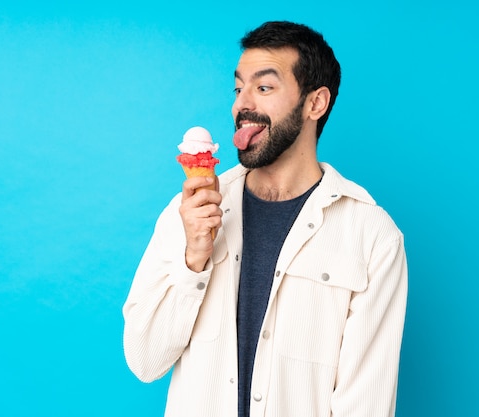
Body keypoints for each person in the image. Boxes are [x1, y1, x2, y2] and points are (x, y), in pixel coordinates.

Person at [123, 21, 408, 417]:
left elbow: (366, 405)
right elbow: (145, 360)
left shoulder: (372, 236)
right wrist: (194, 261)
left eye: (264, 87)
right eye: (238, 88)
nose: (243, 104)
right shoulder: (190, 213)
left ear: (315, 103)